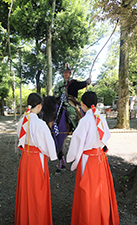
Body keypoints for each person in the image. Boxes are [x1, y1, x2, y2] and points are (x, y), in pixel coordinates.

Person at [66, 91, 120, 225]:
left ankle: (88, 218)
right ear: (95, 103)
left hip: (87, 159)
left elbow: (76, 142)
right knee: (100, 190)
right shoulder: (100, 118)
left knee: (87, 192)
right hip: (100, 158)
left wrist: (71, 158)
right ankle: (101, 218)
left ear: (83, 104)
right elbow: (107, 136)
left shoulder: (85, 120)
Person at [15, 93, 57, 225]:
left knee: (26, 189)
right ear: (39, 106)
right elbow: (47, 145)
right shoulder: (40, 123)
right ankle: (38, 219)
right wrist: (50, 155)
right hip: (37, 159)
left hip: (25, 158)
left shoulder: (22, 121)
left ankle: (25, 218)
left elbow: (20, 140)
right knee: (38, 191)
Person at [53, 63, 91, 174]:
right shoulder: (59, 84)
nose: (65, 74)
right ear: (62, 74)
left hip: (71, 101)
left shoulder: (74, 83)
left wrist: (87, 82)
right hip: (60, 101)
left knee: (71, 111)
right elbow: (55, 92)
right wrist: (59, 96)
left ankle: (76, 128)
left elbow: (82, 84)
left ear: (70, 73)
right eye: (64, 72)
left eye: (67, 72)